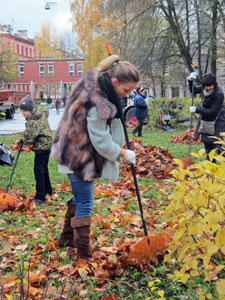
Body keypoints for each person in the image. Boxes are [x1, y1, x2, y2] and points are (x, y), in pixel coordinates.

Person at [51, 55, 139, 259]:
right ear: (114, 81)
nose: (126, 95)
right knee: (86, 202)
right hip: (78, 156)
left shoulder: (92, 82)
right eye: (125, 90)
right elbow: (100, 141)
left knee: (79, 197)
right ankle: (83, 253)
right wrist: (124, 153)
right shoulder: (99, 102)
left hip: (70, 148)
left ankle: (67, 238)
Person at [20, 95, 53, 205]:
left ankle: (40, 196)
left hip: (41, 147)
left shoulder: (34, 120)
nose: (23, 113)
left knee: (38, 171)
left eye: (25, 111)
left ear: (30, 110)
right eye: (21, 111)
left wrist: (23, 139)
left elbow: (29, 138)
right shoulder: (37, 116)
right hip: (46, 146)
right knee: (44, 170)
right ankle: (48, 191)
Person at [188, 72, 225, 160]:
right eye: (206, 86)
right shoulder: (204, 88)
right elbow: (193, 90)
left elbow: (213, 112)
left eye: (210, 86)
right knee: (208, 148)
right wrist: (190, 80)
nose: (208, 88)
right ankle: (211, 168)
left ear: (214, 84)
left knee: (218, 148)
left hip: (217, 122)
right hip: (205, 122)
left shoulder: (219, 94)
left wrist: (197, 109)